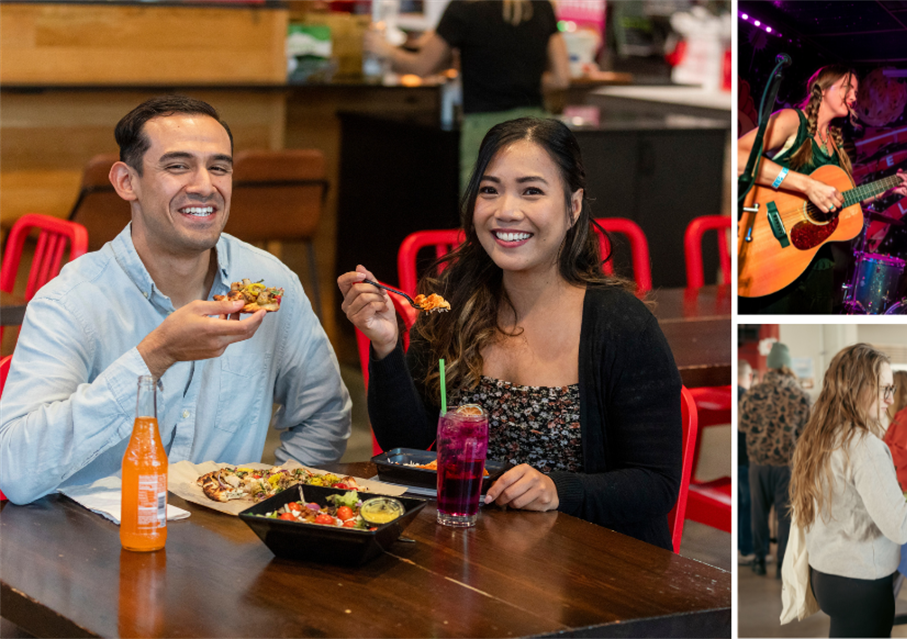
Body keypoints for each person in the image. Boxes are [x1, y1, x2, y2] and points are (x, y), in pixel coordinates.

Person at [338, 117, 682, 550]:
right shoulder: (452, 304)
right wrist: (386, 346)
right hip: (470, 555)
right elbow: (406, 446)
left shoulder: (621, 325)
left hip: (590, 567)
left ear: (574, 207)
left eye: (531, 191)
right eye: (489, 189)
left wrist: (559, 490)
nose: (505, 210)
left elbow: (656, 482)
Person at [0, 96, 352, 505]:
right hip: (90, 546)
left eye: (219, 167)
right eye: (177, 166)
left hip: (224, 550)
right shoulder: (71, 301)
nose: (205, 185)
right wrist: (154, 356)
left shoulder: (270, 282)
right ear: (126, 182)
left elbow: (323, 415)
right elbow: (15, 471)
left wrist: (268, 502)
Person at [789, 344, 907, 637]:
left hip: (827, 575)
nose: (890, 400)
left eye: (892, 389)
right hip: (859, 583)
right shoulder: (864, 445)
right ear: (857, 388)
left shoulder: (824, 433)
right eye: (884, 389)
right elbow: (901, 526)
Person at [737, 65, 907, 314]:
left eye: (856, 91)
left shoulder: (836, 145)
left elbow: (841, 199)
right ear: (822, 87)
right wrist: (807, 185)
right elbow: (738, 158)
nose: (854, 96)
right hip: (772, 252)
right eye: (847, 87)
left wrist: (887, 190)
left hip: (817, 265)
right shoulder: (791, 120)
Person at [367, 0, 571, 185]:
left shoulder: (465, 7)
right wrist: (523, 81)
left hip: (484, 132)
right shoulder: (541, 6)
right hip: (536, 127)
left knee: (484, 214)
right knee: (533, 208)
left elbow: (421, 66)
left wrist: (384, 50)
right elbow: (561, 77)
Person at [739, 343, 810, 577]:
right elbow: (806, 434)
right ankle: (782, 565)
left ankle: (759, 560)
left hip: (758, 464)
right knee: (785, 518)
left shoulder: (753, 393)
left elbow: (742, 425)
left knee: (759, 514)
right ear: (787, 366)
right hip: (787, 466)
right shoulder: (800, 395)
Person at [737, 360, 755, 566]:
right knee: (748, 505)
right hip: (747, 460)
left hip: (738, 460)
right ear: (750, 377)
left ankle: (742, 547)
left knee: (743, 504)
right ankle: (747, 549)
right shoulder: (749, 399)